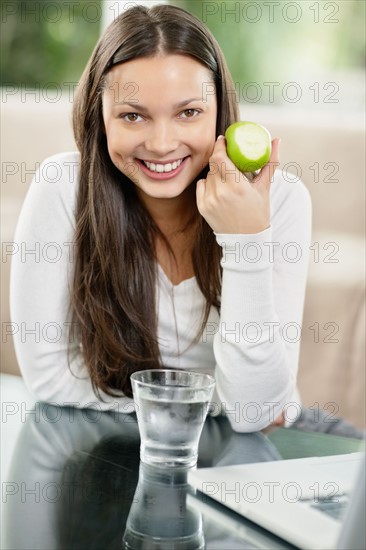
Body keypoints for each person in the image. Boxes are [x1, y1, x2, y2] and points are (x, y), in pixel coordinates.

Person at [10, 3, 312, 432]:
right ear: (101, 116)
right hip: (117, 441)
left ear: (219, 112)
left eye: (188, 112)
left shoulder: (279, 200)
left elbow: (255, 413)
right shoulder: (62, 187)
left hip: (264, 452)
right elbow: (49, 379)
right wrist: (205, 404)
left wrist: (245, 239)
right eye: (133, 116)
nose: (162, 143)